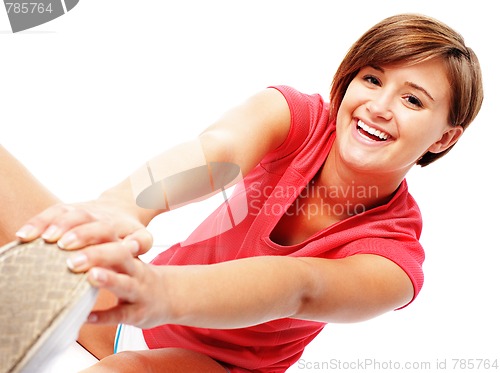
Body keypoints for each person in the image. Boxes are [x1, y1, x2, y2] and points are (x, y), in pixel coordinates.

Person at [2, 13, 483, 373]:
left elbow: (299, 287)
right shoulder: (298, 118)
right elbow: (217, 152)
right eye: (372, 78)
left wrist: (158, 293)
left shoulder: (394, 261)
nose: (378, 106)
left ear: (444, 138)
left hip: (209, 363)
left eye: (412, 99)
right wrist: (123, 205)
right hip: (130, 302)